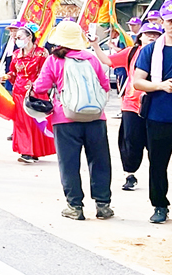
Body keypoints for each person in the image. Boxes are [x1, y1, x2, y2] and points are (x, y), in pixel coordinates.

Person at [32, 20, 113, 220]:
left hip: (65, 118)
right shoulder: (91, 58)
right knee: (100, 161)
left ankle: (75, 207)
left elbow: (40, 88)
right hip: (96, 117)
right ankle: (103, 205)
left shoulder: (53, 60)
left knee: (69, 163)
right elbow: (105, 86)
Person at [132, 2, 172, 224]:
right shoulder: (150, 50)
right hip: (159, 116)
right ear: (163, 23)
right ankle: (159, 205)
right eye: (170, 21)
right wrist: (161, 85)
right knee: (158, 164)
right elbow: (137, 82)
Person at [109, 22, 161, 192]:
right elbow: (108, 61)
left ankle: (158, 177)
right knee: (131, 140)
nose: (152, 37)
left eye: (155, 34)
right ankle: (129, 174)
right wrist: (95, 44)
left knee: (155, 144)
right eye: (148, 34)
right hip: (132, 104)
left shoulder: (164, 54)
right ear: (140, 36)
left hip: (156, 104)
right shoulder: (132, 52)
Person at [5, 22, 57, 164]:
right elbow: (13, 72)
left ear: (29, 37)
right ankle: (26, 151)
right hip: (19, 92)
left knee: (35, 122)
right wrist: (6, 77)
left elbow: (46, 73)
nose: (17, 40)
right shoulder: (16, 54)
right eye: (16, 38)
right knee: (21, 123)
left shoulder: (41, 53)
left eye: (20, 37)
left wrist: (35, 85)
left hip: (36, 92)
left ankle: (34, 152)